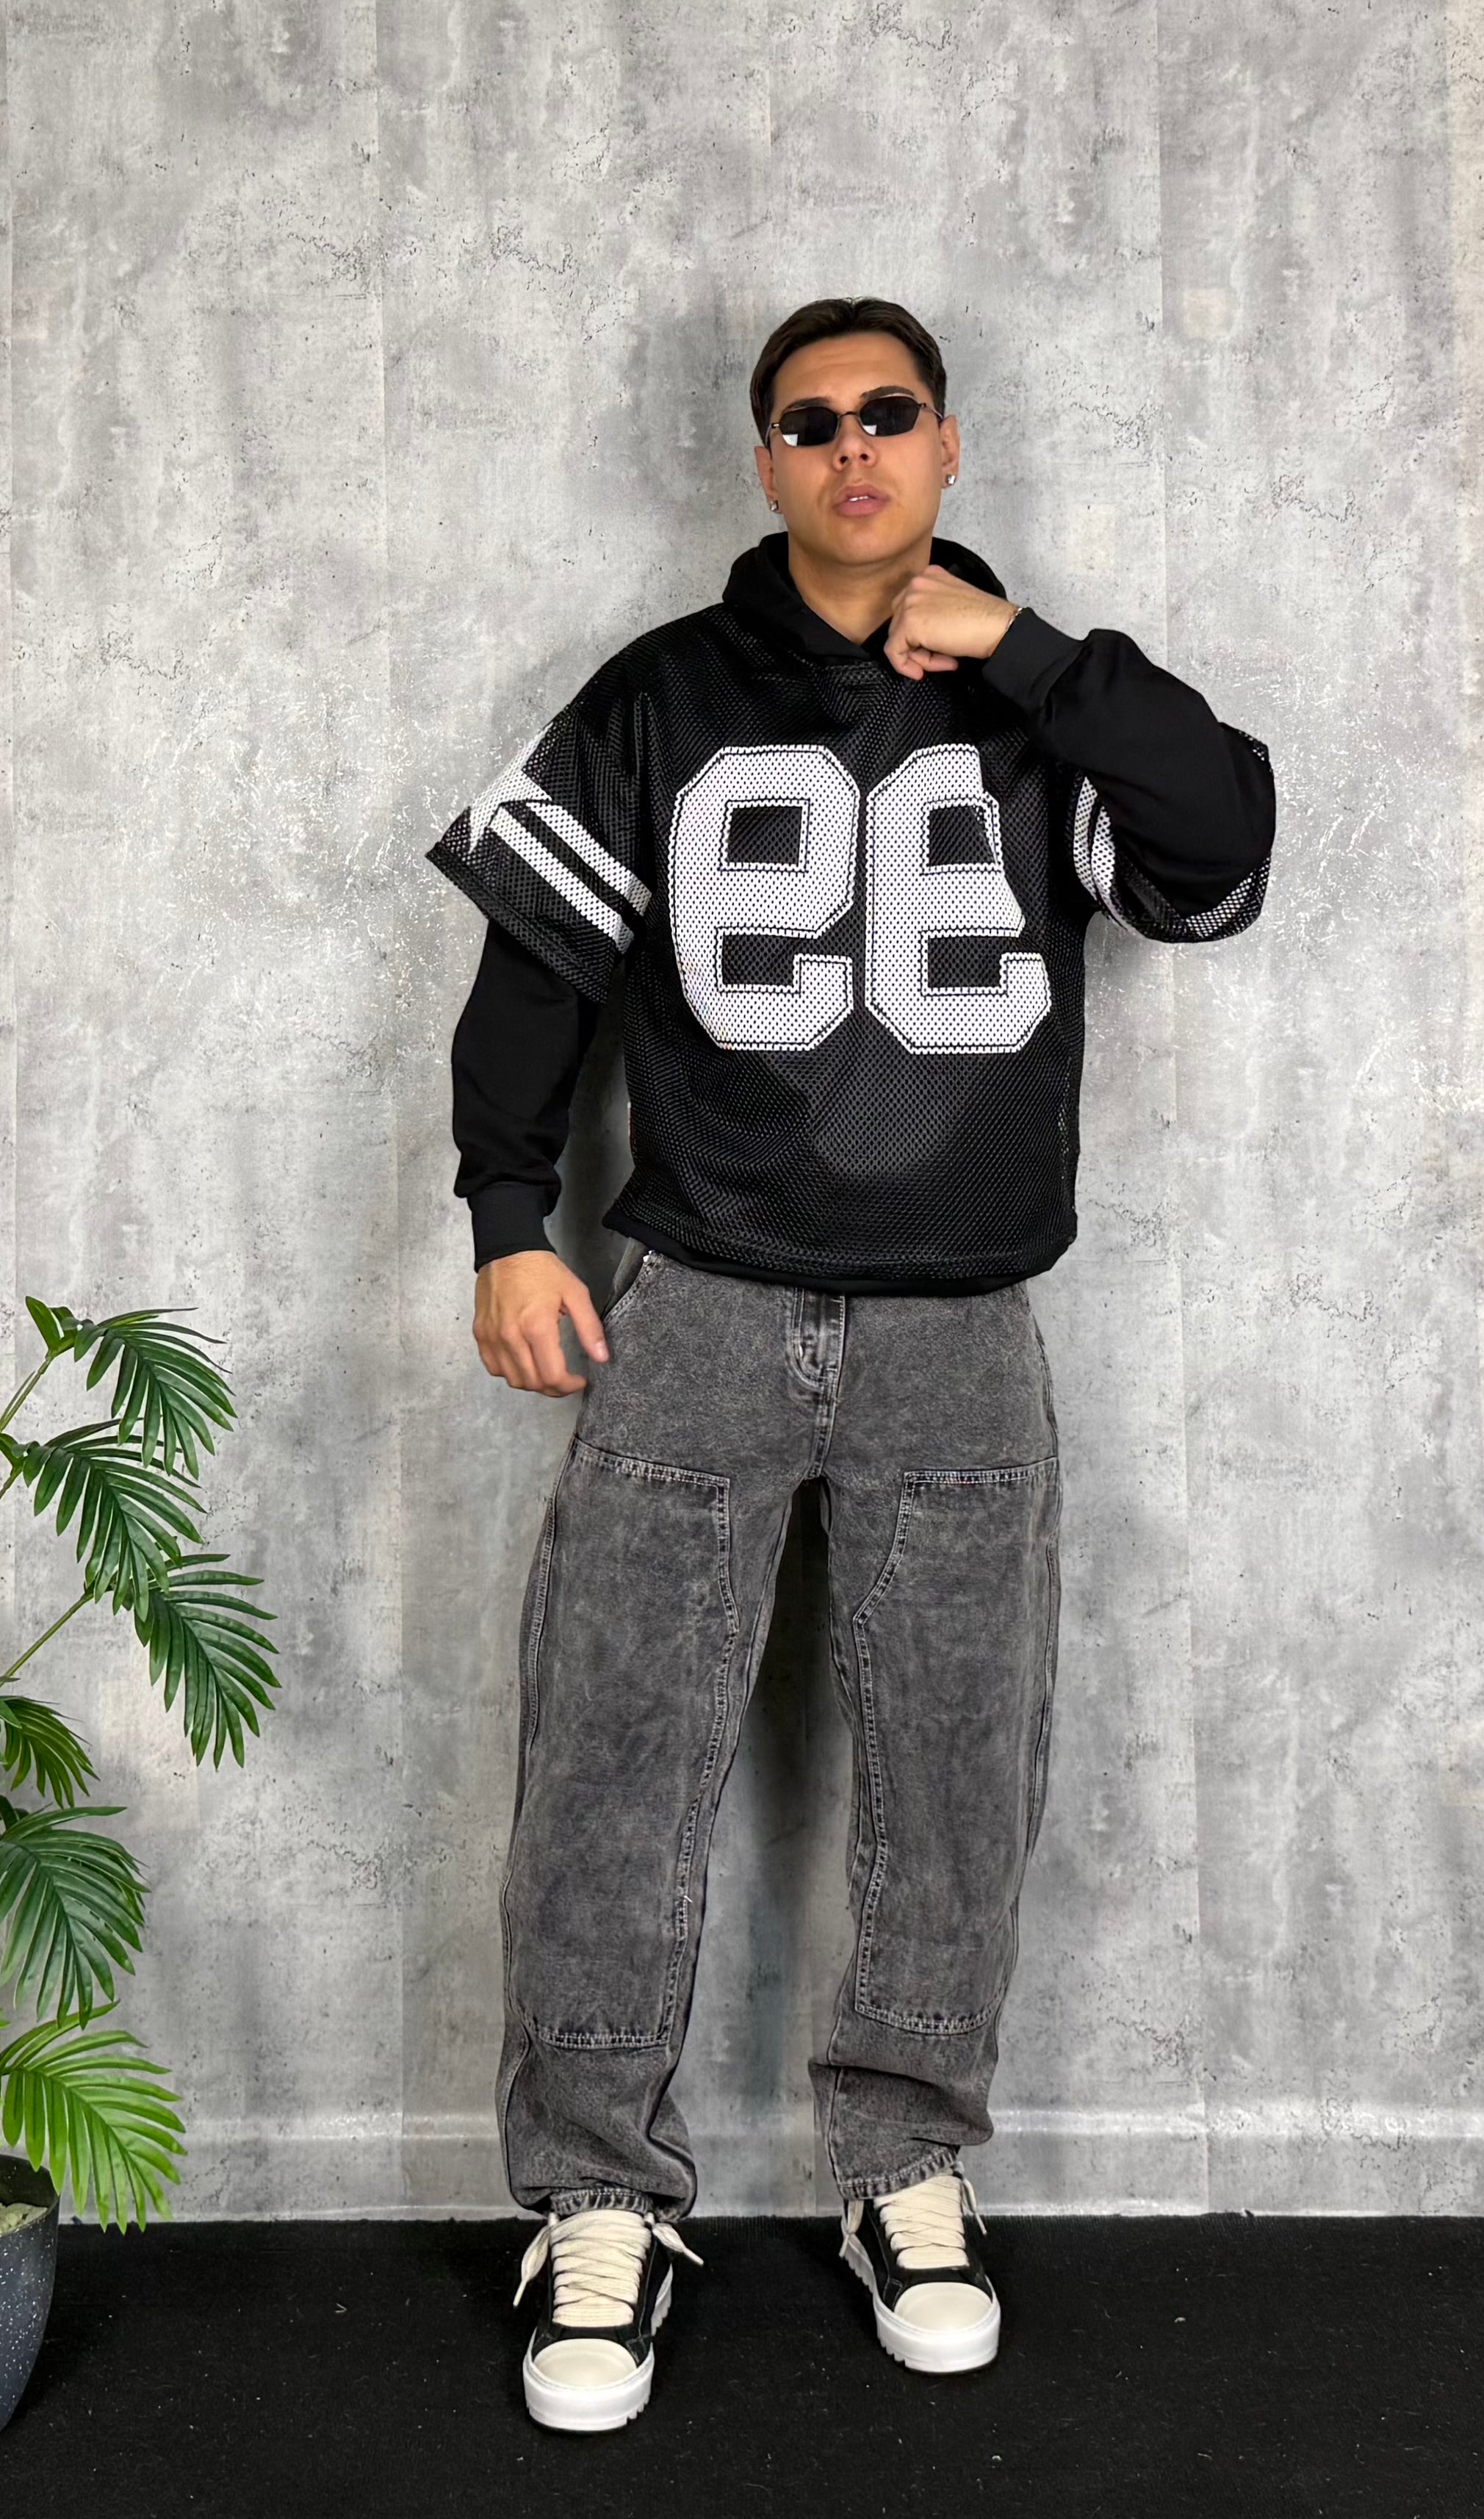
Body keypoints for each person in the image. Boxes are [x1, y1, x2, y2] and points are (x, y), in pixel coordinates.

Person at [425, 296, 1275, 2433]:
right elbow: (533, 970)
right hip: (699, 1302)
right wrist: (506, 1218)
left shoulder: (1040, 699)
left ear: (948, 442)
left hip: (959, 1320)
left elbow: (1222, 839)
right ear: (766, 462)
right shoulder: (659, 696)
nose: (853, 448)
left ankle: (906, 2165)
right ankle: (593, 2198)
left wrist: (1030, 657)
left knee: (954, 1778)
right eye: (810, 423)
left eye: (889, 413)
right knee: (612, 1761)